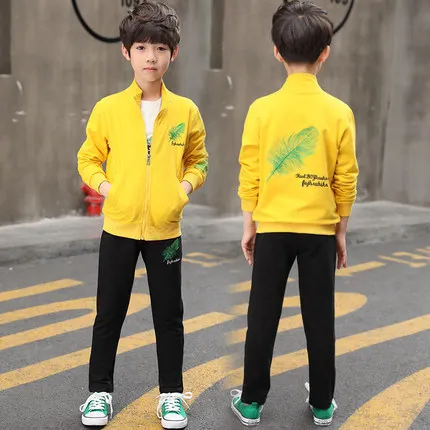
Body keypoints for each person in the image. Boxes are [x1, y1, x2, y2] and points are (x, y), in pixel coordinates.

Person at [77, 1, 208, 428]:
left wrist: (182, 190)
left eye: (160, 48)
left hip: (166, 231)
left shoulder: (185, 111)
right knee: (109, 313)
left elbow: (199, 161)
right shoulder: (109, 109)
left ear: (174, 53)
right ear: (126, 52)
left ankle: (170, 395)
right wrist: (108, 189)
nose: (151, 57)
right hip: (119, 226)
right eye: (142, 48)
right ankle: (99, 394)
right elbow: (88, 158)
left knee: (169, 316)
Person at [230, 0, 359, 427]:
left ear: (276, 51)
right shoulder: (339, 112)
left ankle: (251, 402)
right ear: (325, 53)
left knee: (262, 318)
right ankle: (322, 404)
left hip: (272, 229)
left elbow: (250, 170)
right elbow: (345, 177)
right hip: (319, 231)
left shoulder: (261, 109)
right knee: (319, 319)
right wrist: (340, 230)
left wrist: (249, 224)